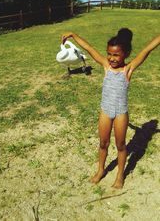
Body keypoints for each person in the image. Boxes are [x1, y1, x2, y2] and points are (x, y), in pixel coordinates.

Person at [62, 29, 160, 189]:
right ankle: (101, 170)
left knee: (121, 145)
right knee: (103, 143)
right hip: (105, 112)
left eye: (116, 55)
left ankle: (120, 174)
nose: (111, 58)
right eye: (109, 54)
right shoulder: (106, 66)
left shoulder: (128, 69)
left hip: (121, 113)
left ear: (126, 54)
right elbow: (89, 49)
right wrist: (73, 35)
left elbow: (147, 49)